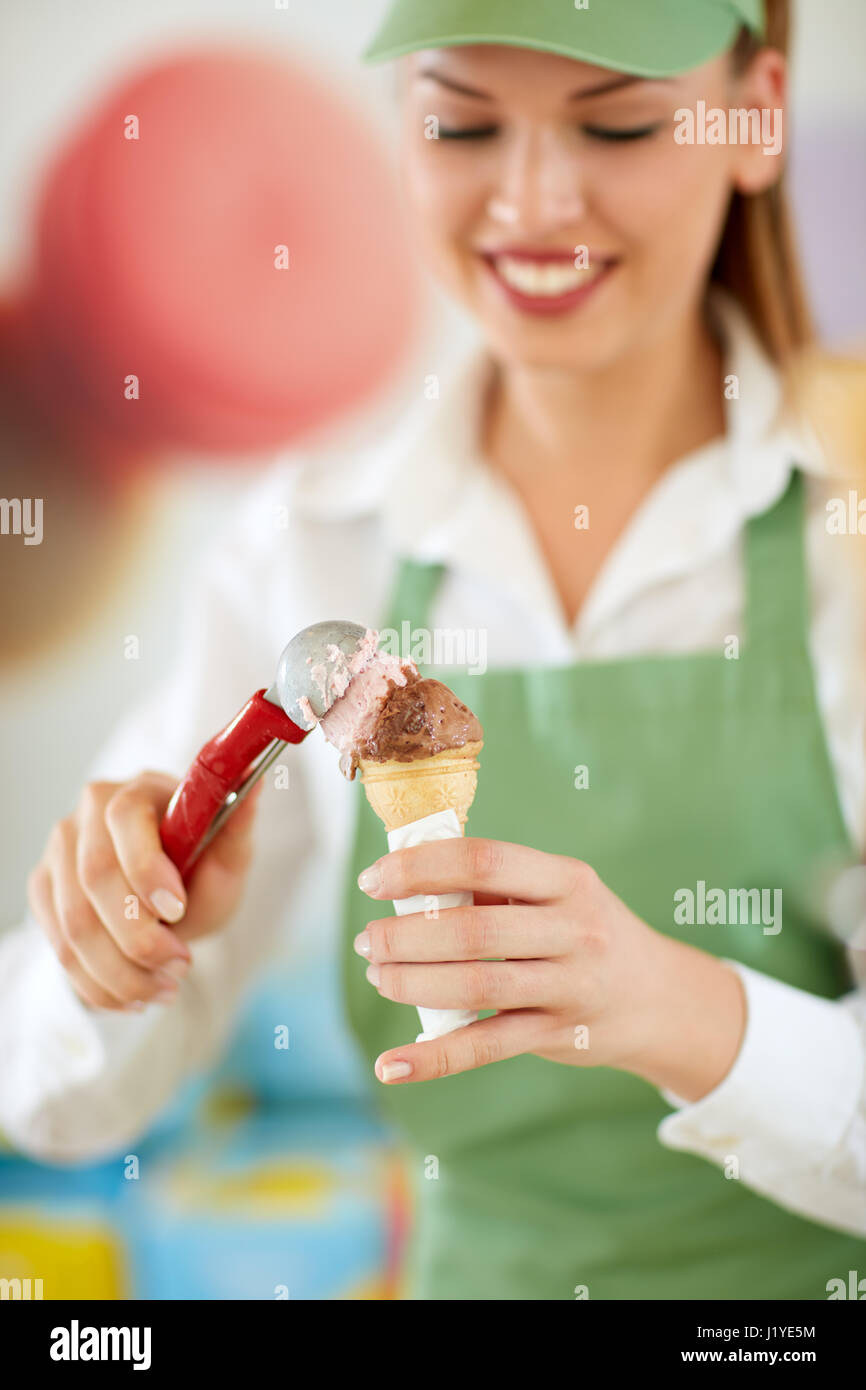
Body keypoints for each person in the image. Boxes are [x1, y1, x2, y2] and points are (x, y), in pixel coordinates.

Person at [3, 0, 865, 1299]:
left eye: (617, 123)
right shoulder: (312, 546)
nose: (529, 202)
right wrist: (107, 950)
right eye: (461, 121)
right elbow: (49, 1103)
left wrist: (676, 1005)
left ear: (755, 117)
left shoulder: (841, 532)